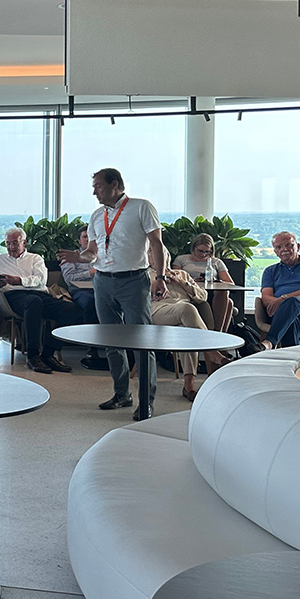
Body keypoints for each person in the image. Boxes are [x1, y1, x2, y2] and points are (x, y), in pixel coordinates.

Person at [58, 167, 167, 416]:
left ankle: (146, 401)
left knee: (141, 341)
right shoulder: (97, 215)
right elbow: (92, 253)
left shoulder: (141, 207)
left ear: (114, 184)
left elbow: (156, 243)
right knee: (110, 340)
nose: (94, 192)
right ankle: (122, 394)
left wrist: (160, 277)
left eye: (98, 186)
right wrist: (78, 257)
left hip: (133, 280)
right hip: (103, 281)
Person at [0, 227, 80, 374]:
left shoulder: (35, 258)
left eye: (15, 243)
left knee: (72, 310)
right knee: (33, 302)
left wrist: (19, 280)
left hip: (39, 294)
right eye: (8, 243)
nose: (11, 247)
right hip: (13, 298)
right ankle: (33, 355)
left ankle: (48, 353)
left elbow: (41, 280)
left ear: (24, 243)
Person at [149, 244, 217, 401]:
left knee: (187, 331)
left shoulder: (182, 274)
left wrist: (182, 283)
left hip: (184, 316)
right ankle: (211, 350)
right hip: (158, 313)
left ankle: (189, 385)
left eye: (162, 254)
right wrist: (157, 282)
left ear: (168, 258)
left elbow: (203, 297)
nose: (158, 257)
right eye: (152, 253)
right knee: (187, 308)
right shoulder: (145, 275)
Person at [259, 231, 300, 349]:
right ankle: (290, 355)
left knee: (294, 302)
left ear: (297, 246)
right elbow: (266, 298)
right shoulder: (270, 271)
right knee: (291, 318)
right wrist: (285, 302)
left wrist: (285, 298)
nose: (284, 249)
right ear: (275, 252)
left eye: (288, 245)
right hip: (283, 311)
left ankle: (269, 342)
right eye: (279, 247)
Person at [59, 227, 107, 370]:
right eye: (85, 237)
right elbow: (69, 279)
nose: (88, 239)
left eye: (91, 237)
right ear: (79, 240)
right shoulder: (72, 257)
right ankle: (91, 347)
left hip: (102, 288)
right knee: (90, 303)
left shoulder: (103, 256)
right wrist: (90, 272)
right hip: (81, 290)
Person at [172, 233, 236, 333]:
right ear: (194, 247)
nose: (203, 254)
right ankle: (217, 334)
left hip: (212, 293)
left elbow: (230, 283)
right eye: (200, 251)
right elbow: (176, 277)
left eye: (207, 252)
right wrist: (192, 280)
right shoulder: (182, 259)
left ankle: (216, 333)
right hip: (191, 292)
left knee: (225, 293)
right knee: (229, 303)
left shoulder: (216, 262)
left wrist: (216, 281)